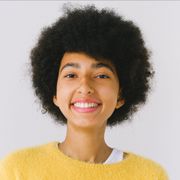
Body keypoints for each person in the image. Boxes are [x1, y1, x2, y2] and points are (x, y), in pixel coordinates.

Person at [0, 5, 168, 179]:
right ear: (54, 93)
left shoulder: (150, 175)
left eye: (101, 75)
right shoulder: (17, 170)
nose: (85, 87)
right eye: (71, 75)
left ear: (121, 95)